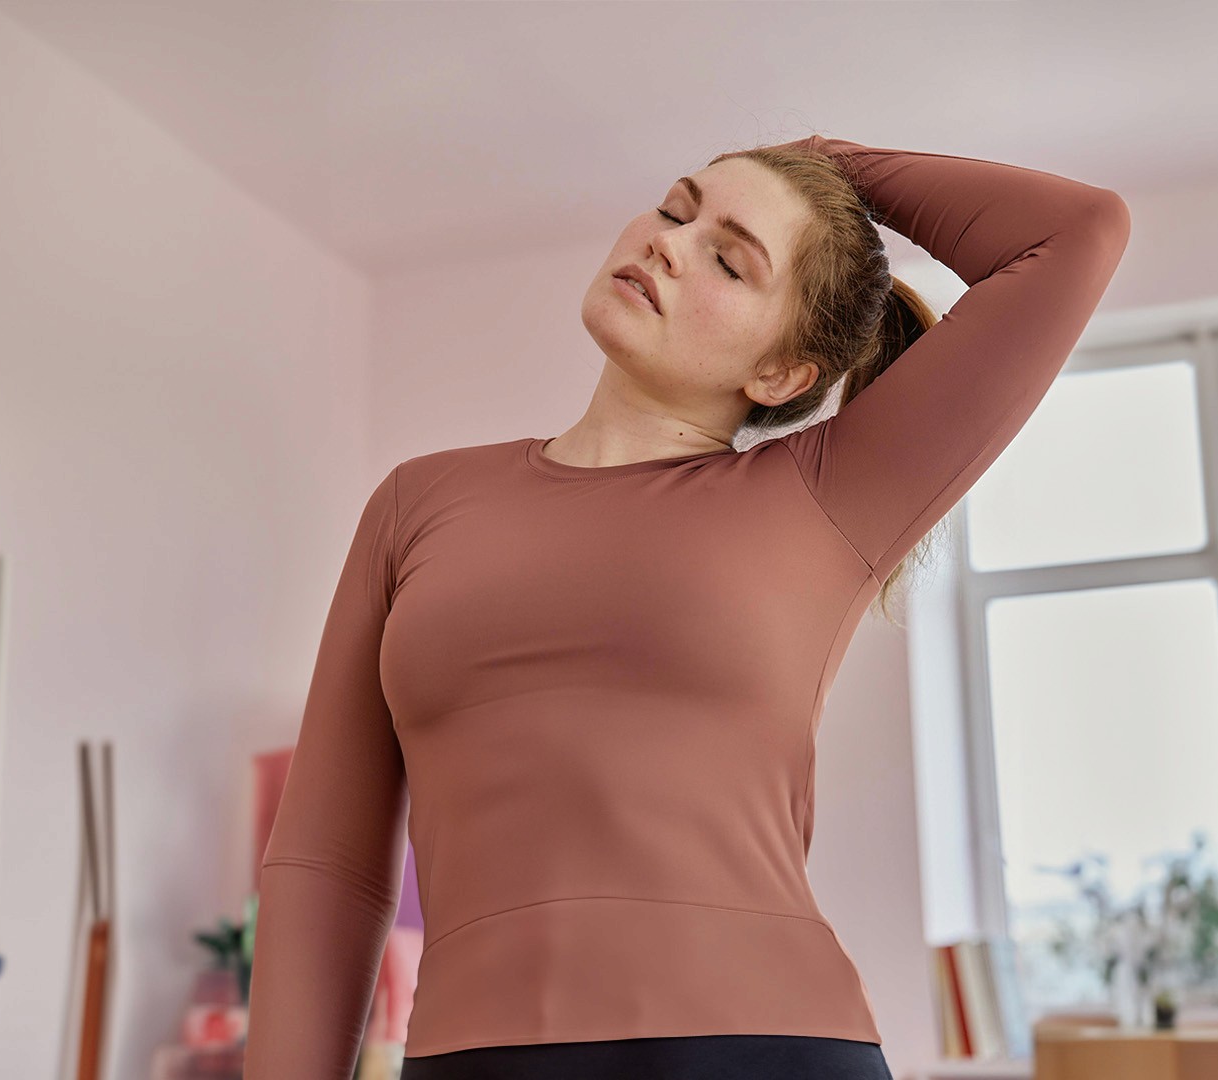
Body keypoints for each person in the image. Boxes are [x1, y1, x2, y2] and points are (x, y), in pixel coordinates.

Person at [244, 132, 1131, 1080]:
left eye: (729, 257)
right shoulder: (417, 503)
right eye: (676, 209)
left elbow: (1078, 232)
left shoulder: (829, 495)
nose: (669, 241)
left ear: (783, 375)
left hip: (762, 1050)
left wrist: (826, 161)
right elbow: (323, 867)